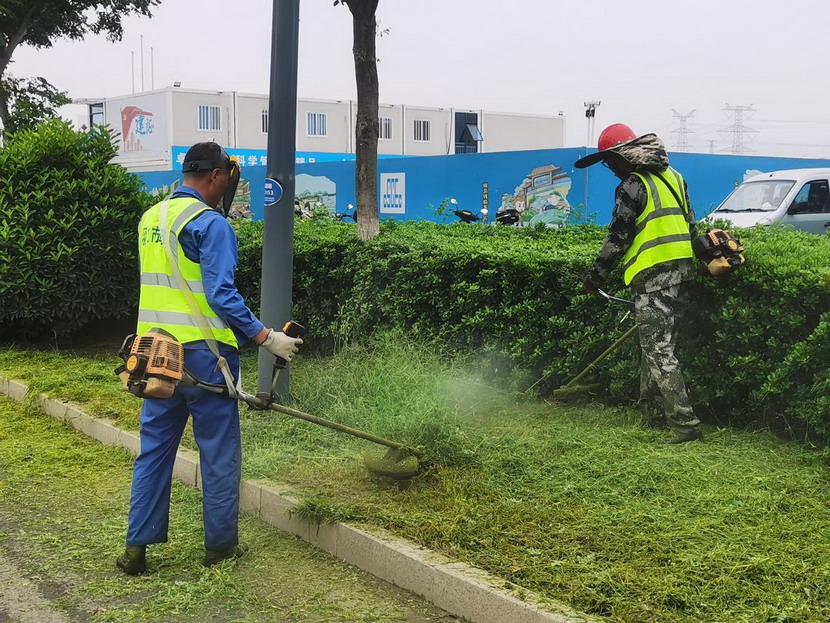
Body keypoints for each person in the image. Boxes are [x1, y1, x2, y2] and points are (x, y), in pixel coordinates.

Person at [116, 142, 303, 574]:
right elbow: (220, 294)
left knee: (153, 451)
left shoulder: (150, 218)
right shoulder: (210, 223)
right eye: (227, 179)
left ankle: (135, 550)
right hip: (205, 357)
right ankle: (219, 547)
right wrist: (266, 338)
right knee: (218, 452)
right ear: (217, 175)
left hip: (155, 355)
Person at [574, 124, 703, 444]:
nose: (611, 168)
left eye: (610, 161)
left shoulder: (632, 185)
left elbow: (618, 237)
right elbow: (691, 226)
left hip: (654, 278)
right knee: (658, 348)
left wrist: (594, 278)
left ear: (625, 155)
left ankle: (685, 425)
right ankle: (652, 414)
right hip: (683, 275)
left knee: (658, 351)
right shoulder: (675, 177)